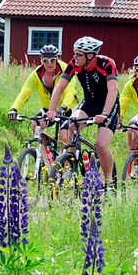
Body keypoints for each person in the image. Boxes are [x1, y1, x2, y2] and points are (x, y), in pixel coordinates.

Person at [46, 36, 119, 181]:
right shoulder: (74, 64)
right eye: (75, 52)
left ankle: (109, 181)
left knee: (101, 145)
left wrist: (104, 114)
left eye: (79, 54)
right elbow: (60, 86)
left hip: (108, 105)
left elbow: (113, 90)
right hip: (89, 103)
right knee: (71, 125)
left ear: (90, 55)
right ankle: (71, 167)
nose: (74, 57)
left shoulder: (107, 64)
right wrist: (51, 110)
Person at [7, 44, 79, 149]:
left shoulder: (66, 70)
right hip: (49, 109)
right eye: (45, 61)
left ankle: (67, 164)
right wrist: (14, 109)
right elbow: (25, 93)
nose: (49, 64)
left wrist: (64, 107)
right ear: (41, 60)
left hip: (68, 108)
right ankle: (45, 159)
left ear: (57, 59)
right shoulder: (37, 74)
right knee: (35, 125)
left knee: (64, 138)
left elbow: (70, 91)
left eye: (52, 61)